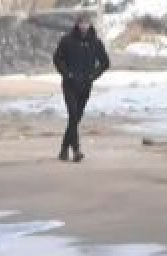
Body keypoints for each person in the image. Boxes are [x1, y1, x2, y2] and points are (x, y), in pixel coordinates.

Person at [52, 15, 109, 163]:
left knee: (76, 118)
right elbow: (57, 59)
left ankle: (64, 149)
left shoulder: (95, 42)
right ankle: (76, 150)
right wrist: (67, 73)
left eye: (86, 23)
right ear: (77, 24)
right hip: (69, 85)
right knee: (73, 115)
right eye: (81, 23)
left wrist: (92, 76)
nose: (84, 26)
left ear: (90, 25)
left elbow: (105, 62)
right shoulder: (67, 40)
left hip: (85, 86)